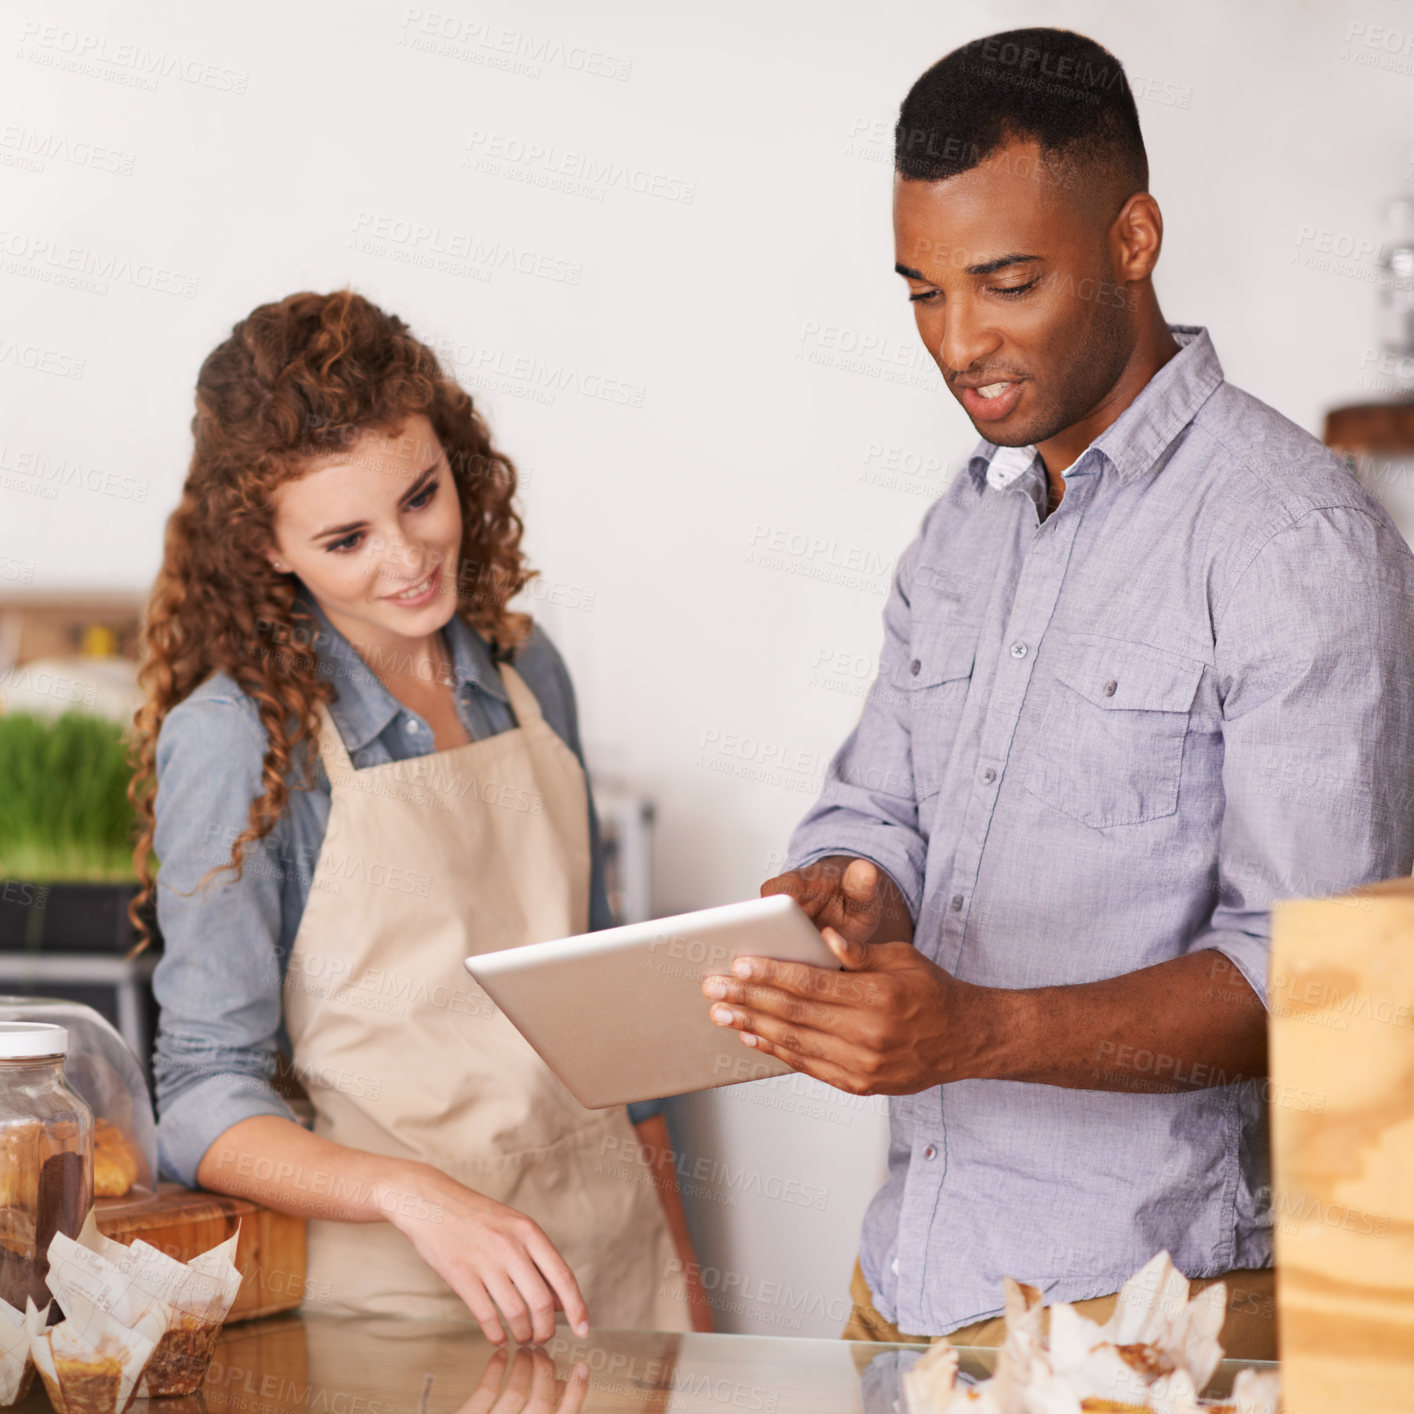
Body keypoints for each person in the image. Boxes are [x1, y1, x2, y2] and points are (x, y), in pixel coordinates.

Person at [700, 28, 1414, 1357]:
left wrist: (974, 1029)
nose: (957, 341)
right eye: (920, 291)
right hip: (907, 1281)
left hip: (1143, 1314)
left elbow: (1316, 988)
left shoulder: (1291, 545)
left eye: (1005, 281)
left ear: (1132, 238)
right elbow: (875, 805)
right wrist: (856, 886)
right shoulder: (962, 529)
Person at [133, 289, 706, 1341]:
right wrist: (411, 1192)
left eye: (422, 497)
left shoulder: (531, 672)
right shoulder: (240, 740)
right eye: (346, 538)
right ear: (268, 547)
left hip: (616, 1274)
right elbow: (202, 1100)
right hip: (408, 1312)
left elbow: (614, 1027)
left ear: (454, 457)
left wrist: (688, 1279)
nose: (407, 558)